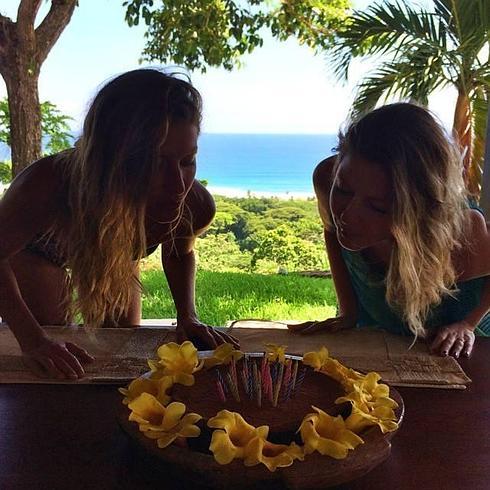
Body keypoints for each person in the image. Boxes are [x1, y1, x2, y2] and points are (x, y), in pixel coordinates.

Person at [0, 68, 237, 380]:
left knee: (123, 348)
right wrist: (34, 341)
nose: (178, 185)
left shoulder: (195, 207)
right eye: (154, 162)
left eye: (187, 161)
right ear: (112, 157)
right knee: (51, 358)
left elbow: (179, 252)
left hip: (120, 252)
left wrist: (187, 316)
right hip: (42, 251)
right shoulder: (45, 186)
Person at [289, 102, 490, 358]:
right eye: (343, 190)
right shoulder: (326, 178)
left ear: (418, 211)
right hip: (379, 335)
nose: (348, 216)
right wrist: (348, 311)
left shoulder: (462, 230)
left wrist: (467, 324)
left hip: (455, 348)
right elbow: (331, 229)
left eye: (378, 206)